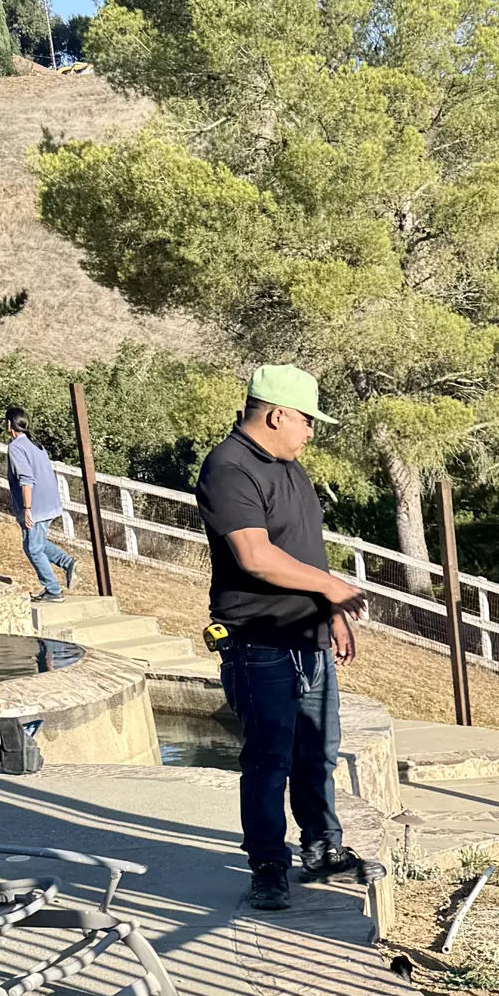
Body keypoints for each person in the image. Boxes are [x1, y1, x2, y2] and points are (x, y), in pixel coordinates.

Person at [194, 365, 368, 911]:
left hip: (307, 636)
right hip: (258, 641)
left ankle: (322, 849)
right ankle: (268, 865)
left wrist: (331, 613)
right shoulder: (228, 468)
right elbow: (255, 555)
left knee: (318, 753)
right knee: (270, 762)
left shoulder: (291, 469)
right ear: (276, 414)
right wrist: (335, 588)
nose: (311, 431)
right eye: (307, 421)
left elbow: (303, 550)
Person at [4, 408, 79, 601]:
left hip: (35, 505)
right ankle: (67, 563)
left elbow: (26, 479)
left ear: (10, 424)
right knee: (36, 542)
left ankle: (53, 590)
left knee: (33, 548)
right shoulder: (36, 444)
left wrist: (28, 509)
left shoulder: (16, 446)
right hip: (50, 502)